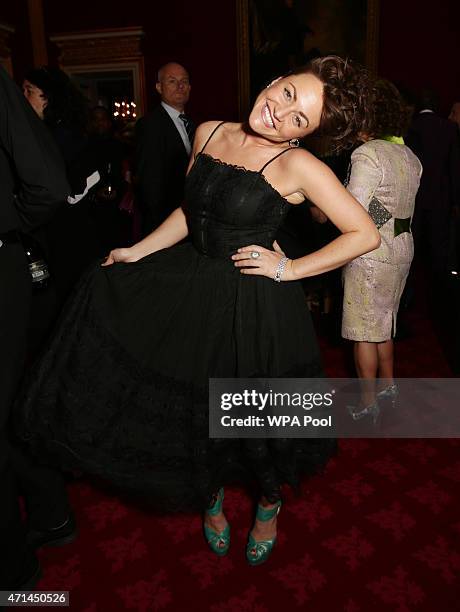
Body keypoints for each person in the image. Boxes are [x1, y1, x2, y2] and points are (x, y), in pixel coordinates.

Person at [17, 56, 380, 566]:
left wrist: (290, 270)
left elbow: (364, 233)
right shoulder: (208, 131)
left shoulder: (300, 167)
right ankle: (210, 502)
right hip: (191, 289)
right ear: (277, 81)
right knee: (196, 411)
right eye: (290, 95)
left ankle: (268, 507)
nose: (281, 113)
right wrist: (138, 250)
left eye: (300, 120)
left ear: (305, 136)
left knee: (260, 419)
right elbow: (192, 212)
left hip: (256, 304)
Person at [0, 66, 74, 590]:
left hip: (26, 257)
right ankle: (49, 512)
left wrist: (9, 227)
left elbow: (49, 186)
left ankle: (15, 571)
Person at [341, 80, 422, 417]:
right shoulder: (409, 155)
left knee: (363, 331)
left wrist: (321, 207)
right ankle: (389, 387)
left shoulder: (368, 153)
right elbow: (396, 209)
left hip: (371, 253)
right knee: (385, 324)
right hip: (402, 248)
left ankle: (366, 402)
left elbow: (353, 209)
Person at [135, 62, 194, 236]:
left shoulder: (192, 124)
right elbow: (148, 182)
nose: (180, 86)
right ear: (159, 87)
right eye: (172, 81)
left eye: (184, 81)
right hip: (164, 223)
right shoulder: (149, 125)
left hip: (189, 217)